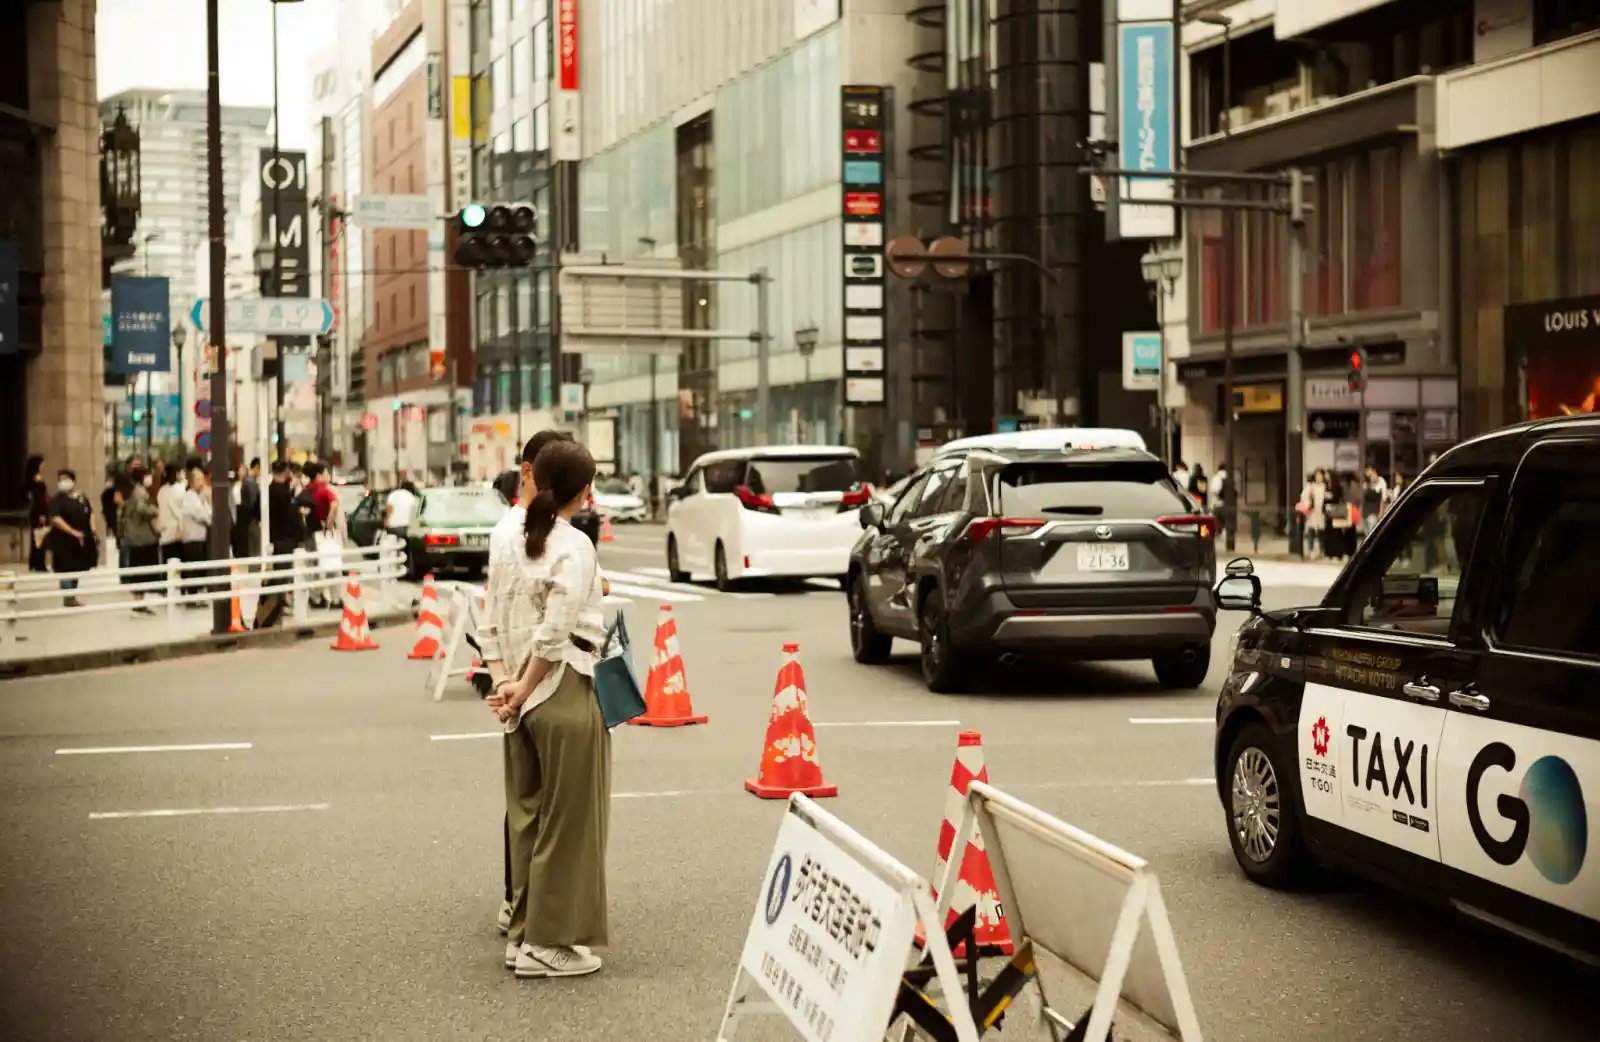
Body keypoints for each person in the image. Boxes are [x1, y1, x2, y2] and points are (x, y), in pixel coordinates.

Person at [481, 432, 612, 939]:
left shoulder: (510, 536)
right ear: (580, 491)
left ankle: (520, 933)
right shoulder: (574, 545)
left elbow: (490, 616)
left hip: (518, 693)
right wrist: (525, 683)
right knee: (569, 824)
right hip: (561, 686)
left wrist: (505, 685)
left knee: (527, 818)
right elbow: (555, 634)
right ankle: (548, 942)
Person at [45, 469, 95, 607]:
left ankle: (72, 595)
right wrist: (72, 531)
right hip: (63, 540)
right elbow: (55, 518)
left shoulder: (81, 497)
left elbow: (90, 512)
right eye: (60, 480)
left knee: (76, 568)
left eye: (66, 479)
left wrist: (92, 531)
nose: (63, 483)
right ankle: (67, 597)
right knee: (65, 568)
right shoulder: (57, 499)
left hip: (80, 540)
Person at [117, 464, 161, 614]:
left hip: (136, 537)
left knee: (139, 570)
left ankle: (139, 601)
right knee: (141, 570)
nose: (150, 478)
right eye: (148, 475)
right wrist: (155, 510)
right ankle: (138, 602)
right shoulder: (139, 492)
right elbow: (141, 509)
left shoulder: (133, 491)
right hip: (141, 538)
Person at [180, 468, 213, 604]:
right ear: (192, 482)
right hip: (192, 537)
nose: (202, 483)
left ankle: (197, 595)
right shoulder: (189, 496)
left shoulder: (200, 497)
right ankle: (192, 596)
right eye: (199, 480)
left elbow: (209, 512)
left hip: (200, 537)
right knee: (193, 568)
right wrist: (209, 519)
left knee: (199, 567)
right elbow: (201, 515)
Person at [24, 454, 49, 573]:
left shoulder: (29, 478)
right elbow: (40, 498)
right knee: (40, 537)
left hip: (34, 512)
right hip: (39, 512)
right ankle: (39, 563)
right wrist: (42, 514)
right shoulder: (37, 478)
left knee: (35, 537)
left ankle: (34, 562)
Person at [157, 465, 186, 566]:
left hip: (165, 533)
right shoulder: (180, 489)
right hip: (177, 533)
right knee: (179, 567)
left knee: (167, 566)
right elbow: (180, 513)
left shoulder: (162, 491)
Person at [234, 458, 262, 560]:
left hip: (246, 519)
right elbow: (253, 502)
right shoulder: (251, 482)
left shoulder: (247, 481)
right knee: (255, 549)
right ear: (257, 467)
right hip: (251, 519)